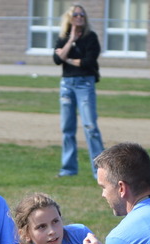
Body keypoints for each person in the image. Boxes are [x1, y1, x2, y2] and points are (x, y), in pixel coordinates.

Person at [53, 4, 104, 178]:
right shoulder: (63, 37)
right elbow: (56, 60)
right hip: (67, 84)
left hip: (85, 84)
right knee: (67, 127)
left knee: (90, 127)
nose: (79, 17)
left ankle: (100, 171)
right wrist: (71, 40)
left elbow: (88, 62)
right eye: (76, 15)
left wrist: (66, 57)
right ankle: (68, 169)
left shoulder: (91, 37)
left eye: (82, 14)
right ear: (69, 17)